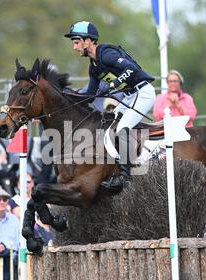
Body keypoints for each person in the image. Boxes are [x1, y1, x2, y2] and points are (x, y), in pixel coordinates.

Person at [64, 21, 156, 191]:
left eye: (76, 42)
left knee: (122, 128)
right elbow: (89, 95)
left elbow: (131, 70)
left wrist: (113, 85)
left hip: (142, 93)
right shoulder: (94, 67)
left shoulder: (105, 54)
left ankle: (125, 177)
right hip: (129, 97)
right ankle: (115, 169)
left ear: (88, 41)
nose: (74, 47)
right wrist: (68, 95)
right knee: (107, 124)